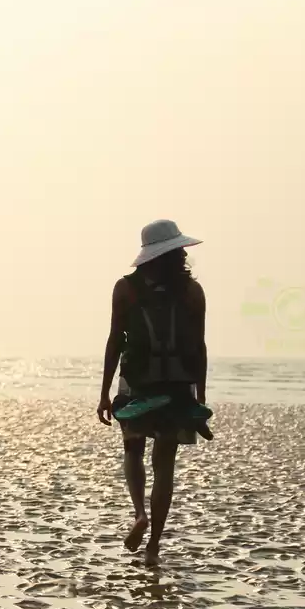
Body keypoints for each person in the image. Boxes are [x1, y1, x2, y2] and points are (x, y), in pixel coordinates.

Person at [96, 219, 208, 566]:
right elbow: (199, 346)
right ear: (178, 252)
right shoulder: (192, 291)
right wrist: (200, 396)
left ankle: (139, 514)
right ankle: (154, 544)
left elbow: (116, 340)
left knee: (133, 450)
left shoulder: (125, 289)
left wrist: (103, 393)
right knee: (165, 465)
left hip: (137, 382)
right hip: (177, 383)